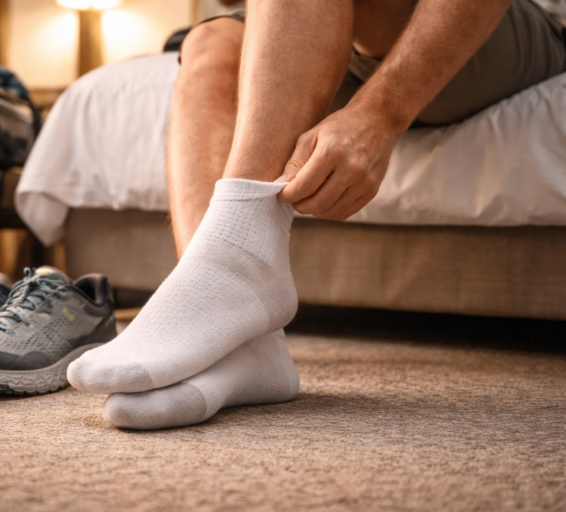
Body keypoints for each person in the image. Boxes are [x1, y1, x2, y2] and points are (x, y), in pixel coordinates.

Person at [67, 0, 566, 429]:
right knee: (210, 40)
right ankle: (244, 343)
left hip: (486, 31)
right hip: (346, 44)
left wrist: (379, 114)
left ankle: (235, 266)